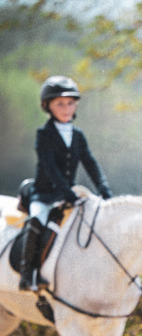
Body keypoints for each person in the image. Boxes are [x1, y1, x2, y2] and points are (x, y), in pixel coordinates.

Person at [18, 75, 112, 291]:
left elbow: (90, 163)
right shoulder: (44, 134)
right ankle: (26, 273)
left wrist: (103, 188)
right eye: (60, 103)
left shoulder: (78, 135)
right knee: (37, 221)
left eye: (70, 103)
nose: (66, 108)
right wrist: (68, 192)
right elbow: (50, 168)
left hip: (68, 195)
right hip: (44, 194)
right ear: (47, 106)